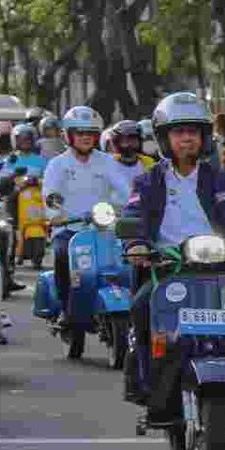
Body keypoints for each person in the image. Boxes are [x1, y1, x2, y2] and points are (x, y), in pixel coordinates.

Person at [120, 91, 225, 409]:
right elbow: (134, 215)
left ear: (204, 137)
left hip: (222, 266)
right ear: (164, 137)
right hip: (167, 267)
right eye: (178, 131)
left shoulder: (223, 181)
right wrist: (135, 243)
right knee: (140, 306)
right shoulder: (148, 182)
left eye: (193, 131)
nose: (186, 138)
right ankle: (145, 382)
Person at [42, 105, 132, 316]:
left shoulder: (107, 162)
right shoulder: (58, 164)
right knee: (62, 254)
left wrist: (130, 207)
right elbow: (51, 195)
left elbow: (125, 190)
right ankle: (66, 308)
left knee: (127, 258)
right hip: (69, 229)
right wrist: (56, 215)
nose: (86, 137)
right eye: (80, 133)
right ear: (69, 135)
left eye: (91, 133)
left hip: (103, 228)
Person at [110, 119, 157, 190]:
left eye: (134, 138)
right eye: (125, 140)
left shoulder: (149, 162)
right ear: (117, 141)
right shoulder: (108, 163)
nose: (130, 143)